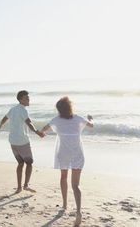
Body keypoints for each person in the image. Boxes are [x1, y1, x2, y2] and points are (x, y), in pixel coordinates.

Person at [40, 96, 94, 227]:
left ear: (59, 109)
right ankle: (79, 212)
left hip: (63, 153)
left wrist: (41, 133)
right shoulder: (78, 118)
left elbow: (43, 130)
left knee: (63, 177)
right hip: (77, 154)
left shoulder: (56, 120)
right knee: (76, 185)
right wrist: (90, 118)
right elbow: (91, 126)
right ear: (70, 107)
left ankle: (64, 204)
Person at [0, 90, 44, 193]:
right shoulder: (23, 110)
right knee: (29, 163)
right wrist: (37, 132)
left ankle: (19, 187)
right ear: (21, 99)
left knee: (20, 163)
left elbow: (5, 118)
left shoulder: (13, 109)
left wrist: (0, 125)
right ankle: (26, 186)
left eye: (28, 98)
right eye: (26, 98)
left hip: (13, 141)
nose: (29, 99)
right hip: (22, 141)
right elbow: (29, 123)